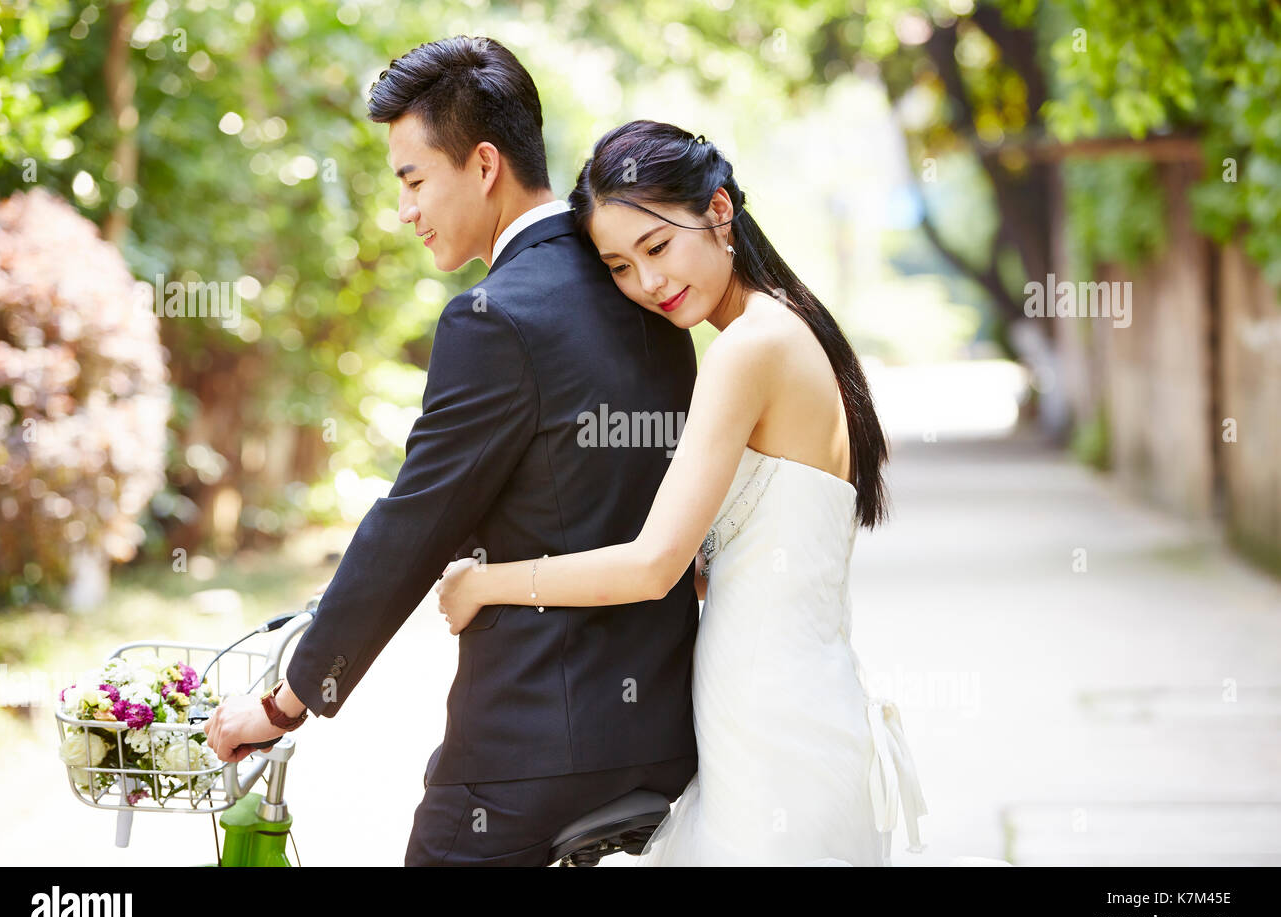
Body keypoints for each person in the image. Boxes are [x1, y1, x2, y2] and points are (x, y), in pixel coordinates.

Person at [202, 36, 701, 866]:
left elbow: (413, 523)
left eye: (411, 179)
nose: (404, 209)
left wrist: (286, 703)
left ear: (481, 165)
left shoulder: (493, 317)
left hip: (532, 755)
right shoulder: (643, 285)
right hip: (662, 735)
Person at [435, 118, 928, 865]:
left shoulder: (749, 348)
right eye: (620, 267)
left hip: (772, 735)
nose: (649, 282)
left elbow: (651, 567)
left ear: (719, 212)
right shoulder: (787, 329)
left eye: (658, 246)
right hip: (788, 716)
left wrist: (485, 585)